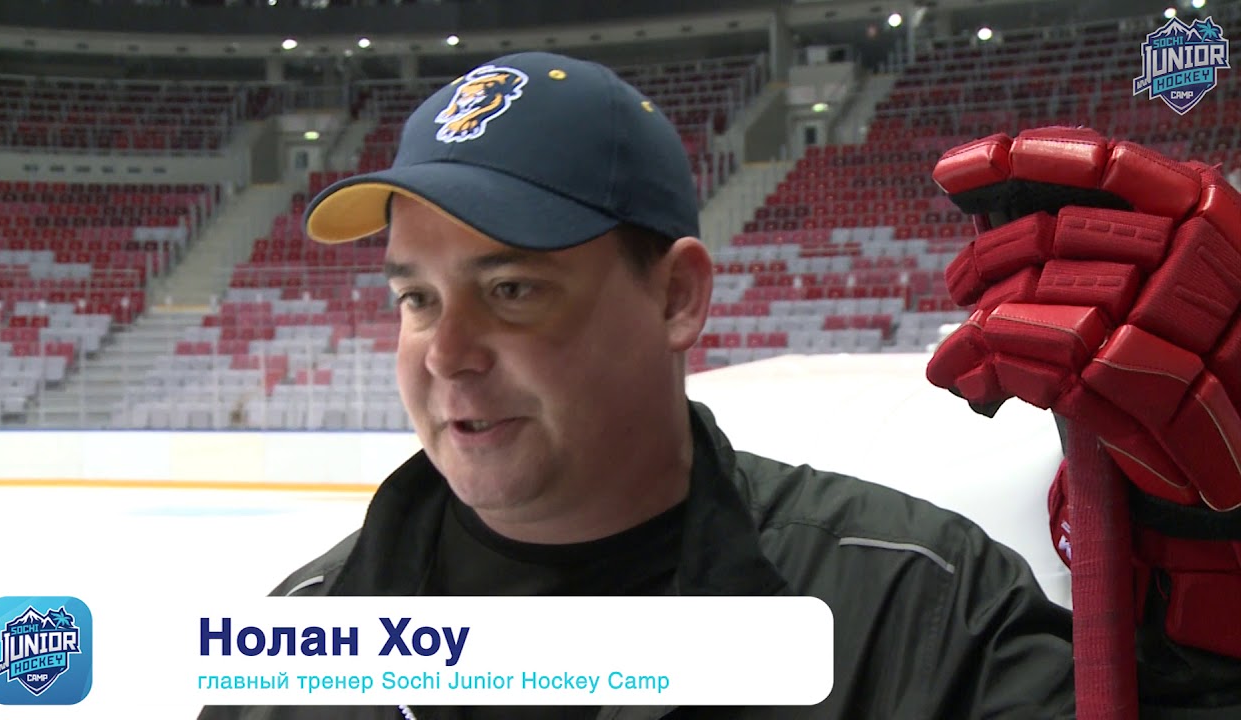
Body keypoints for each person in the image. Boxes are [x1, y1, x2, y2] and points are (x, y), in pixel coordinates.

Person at [199, 51, 1241, 720]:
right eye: (416, 299)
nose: (444, 353)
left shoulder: (916, 607)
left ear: (676, 297)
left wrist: (1205, 623)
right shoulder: (298, 645)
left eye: (510, 290)